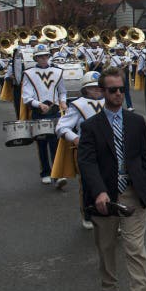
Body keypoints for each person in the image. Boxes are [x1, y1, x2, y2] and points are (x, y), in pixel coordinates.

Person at [77, 67, 146, 291]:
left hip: (132, 193)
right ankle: (109, 286)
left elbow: (143, 158)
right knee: (106, 245)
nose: (118, 94)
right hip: (105, 196)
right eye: (112, 90)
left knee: (135, 248)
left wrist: (144, 186)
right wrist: (99, 192)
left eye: (121, 89)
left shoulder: (136, 122)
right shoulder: (90, 126)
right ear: (102, 92)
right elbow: (87, 163)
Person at [55, 71, 105, 229]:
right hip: (87, 149)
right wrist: (75, 138)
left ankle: (107, 212)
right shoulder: (78, 105)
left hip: (108, 149)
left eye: (99, 87)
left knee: (110, 181)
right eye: (92, 88)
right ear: (85, 90)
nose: (97, 90)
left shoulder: (109, 101)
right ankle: (88, 214)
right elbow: (61, 127)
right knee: (88, 183)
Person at [21, 44, 67, 186]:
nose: (43, 59)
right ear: (35, 58)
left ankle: (57, 174)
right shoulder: (29, 73)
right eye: (40, 57)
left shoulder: (57, 71)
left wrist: (63, 102)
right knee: (42, 143)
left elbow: (62, 91)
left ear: (48, 56)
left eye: (45, 56)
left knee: (55, 143)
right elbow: (26, 97)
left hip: (54, 111)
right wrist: (38, 104)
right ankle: (45, 172)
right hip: (39, 112)